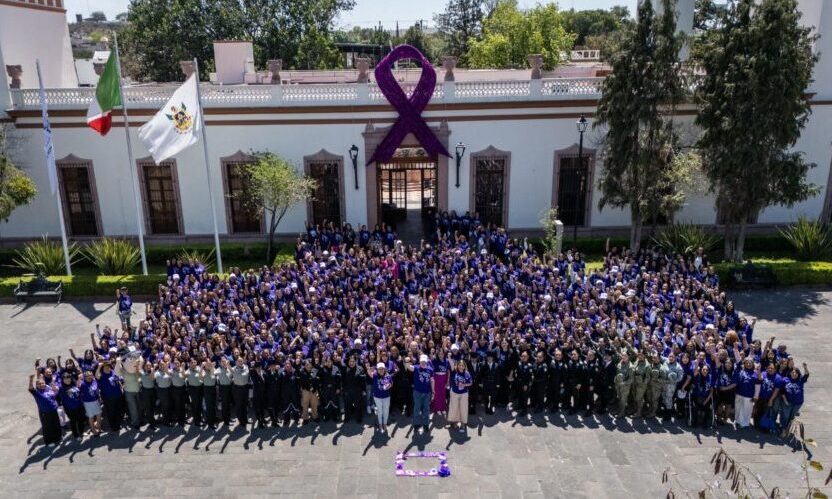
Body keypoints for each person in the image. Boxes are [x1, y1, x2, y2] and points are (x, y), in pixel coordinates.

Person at [29, 373, 61, 447]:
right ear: (37, 385)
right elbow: (31, 389)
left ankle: (57, 438)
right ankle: (48, 441)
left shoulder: (48, 390)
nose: (41, 385)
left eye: (42, 383)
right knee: (47, 427)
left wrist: (53, 382)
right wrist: (31, 379)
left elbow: (55, 393)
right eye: (39, 384)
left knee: (56, 424)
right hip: (45, 413)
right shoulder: (37, 393)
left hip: (54, 411)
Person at [778, 363, 809, 437]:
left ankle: (788, 429)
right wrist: (785, 401)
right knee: (785, 416)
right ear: (790, 373)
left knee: (791, 417)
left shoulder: (800, 380)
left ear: (798, 374)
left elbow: (806, 375)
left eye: (796, 373)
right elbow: (782, 391)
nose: (794, 374)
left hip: (798, 403)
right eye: (792, 372)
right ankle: (783, 430)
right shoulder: (785, 380)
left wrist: (805, 367)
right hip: (787, 402)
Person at [406, 354, 434, 434]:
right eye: (422, 361)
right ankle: (416, 424)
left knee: (426, 409)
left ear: (427, 361)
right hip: (417, 392)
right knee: (417, 409)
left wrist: (433, 391)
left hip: (427, 392)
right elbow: (409, 367)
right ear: (419, 361)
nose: (423, 363)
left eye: (424, 361)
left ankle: (426, 424)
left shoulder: (430, 369)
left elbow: (432, 381)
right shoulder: (416, 367)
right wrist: (407, 361)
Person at [96, 360, 124, 432]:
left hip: (118, 395)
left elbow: (118, 380)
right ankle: (113, 427)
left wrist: (121, 387)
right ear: (103, 368)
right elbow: (96, 376)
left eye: (108, 366)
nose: (107, 368)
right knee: (111, 412)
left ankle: (118, 424)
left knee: (118, 411)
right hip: (108, 398)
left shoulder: (113, 372)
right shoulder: (101, 375)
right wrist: (99, 366)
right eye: (105, 367)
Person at [733, 357, 760, 429]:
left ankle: (745, 424)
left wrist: (756, 396)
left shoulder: (755, 374)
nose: (748, 364)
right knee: (738, 408)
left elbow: (757, 386)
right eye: (747, 363)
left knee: (746, 410)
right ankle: (737, 421)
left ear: (752, 364)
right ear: (744, 364)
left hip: (749, 395)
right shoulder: (741, 371)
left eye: (750, 363)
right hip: (739, 393)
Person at [58, 371, 85, 439]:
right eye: (65, 379)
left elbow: (79, 393)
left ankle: (81, 432)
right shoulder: (61, 388)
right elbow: (58, 396)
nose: (67, 380)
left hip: (79, 406)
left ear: (70, 378)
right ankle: (76, 435)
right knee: (73, 421)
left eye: (68, 378)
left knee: (81, 420)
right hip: (70, 408)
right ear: (62, 380)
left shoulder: (74, 384)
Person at [448, 359, 473, 430]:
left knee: (463, 408)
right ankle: (454, 422)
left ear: (465, 366)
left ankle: (463, 423)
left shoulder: (467, 373)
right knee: (454, 408)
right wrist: (449, 358)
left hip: (464, 393)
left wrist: (464, 385)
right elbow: (451, 364)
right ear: (457, 365)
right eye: (460, 365)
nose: (461, 367)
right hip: (454, 393)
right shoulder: (454, 371)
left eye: (462, 365)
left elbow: (470, 383)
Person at [369, 362, 393, 434]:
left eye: (382, 368)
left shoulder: (388, 376)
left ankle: (385, 424)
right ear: (377, 369)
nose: (381, 370)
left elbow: (391, 383)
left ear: (384, 369)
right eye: (379, 369)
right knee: (380, 411)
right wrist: (369, 368)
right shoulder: (375, 375)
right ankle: (380, 424)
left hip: (386, 396)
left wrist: (389, 386)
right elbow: (369, 372)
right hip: (377, 397)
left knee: (386, 411)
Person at [342, 356, 366, 424]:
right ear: (348, 362)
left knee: (358, 405)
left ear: (355, 362)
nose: (351, 363)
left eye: (353, 361)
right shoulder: (345, 369)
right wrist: (344, 390)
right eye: (350, 361)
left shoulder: (360, 368)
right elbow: (342, 380)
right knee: (347, 405)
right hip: (348, 391)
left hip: (357, 391)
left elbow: (363, 381)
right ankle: (347, 417)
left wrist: (363, 390)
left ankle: (359, 418)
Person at [80, 369, 102, 437]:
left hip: (96, 401)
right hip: (88, 403)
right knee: (91, 417)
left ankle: (99, 428)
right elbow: (80, 394)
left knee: (99, 414)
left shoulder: (94, 381)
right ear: (84, 377)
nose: (89, 377)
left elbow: (97, 390)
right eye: (87, 376)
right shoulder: (82, 384)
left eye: (91, 375)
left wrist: (99, 398)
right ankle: (93, 430)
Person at [299, 359, 321, 424]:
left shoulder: (315, 371)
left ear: (311, 365)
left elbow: (318, 380)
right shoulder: (302, 371)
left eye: (309, 364)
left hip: (314, 391)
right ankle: (305, 418)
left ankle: (315, 417)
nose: (308, 366)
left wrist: (315, 388)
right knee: (305, 405)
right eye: (306, 364)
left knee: (314, 404)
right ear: (304, 365)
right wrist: (303, 388)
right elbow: (300, 382)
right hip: (305, 390)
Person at [231, 357, 250, 428]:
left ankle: (245, 419)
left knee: (245, 404)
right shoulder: (233, 369)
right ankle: (241, 420)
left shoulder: (246, 367)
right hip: (237, 389)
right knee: (239, 405)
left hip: (245, 388)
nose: (240, 362)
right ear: (236, 362)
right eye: (239, 361)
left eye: (241, 361)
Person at [431, 350, 450, 416]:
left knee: (443, 393)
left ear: (444, 354)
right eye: (439, 354)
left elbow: (448, 371)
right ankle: (437, 408)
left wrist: (448, 380)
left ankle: (443, 408)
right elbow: (430, 361)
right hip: (437, 378)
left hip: (444, 378)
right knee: (437, 394)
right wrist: (431, 353)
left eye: (442, 354)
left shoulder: (446, 361)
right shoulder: (435, 360)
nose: (440, 355)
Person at [139, 361, 157, 428]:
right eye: (147, 365)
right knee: (148, 407)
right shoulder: (142, 372)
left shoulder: (153, 372)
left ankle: (152, 420)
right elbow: (138, 367)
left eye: (150, 365)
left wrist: (153, 370)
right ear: (144, 366)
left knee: (152, 406)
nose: (148, 366)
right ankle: (152, 423)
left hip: (152, 390)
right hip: (145, 391)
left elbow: (152, 378)